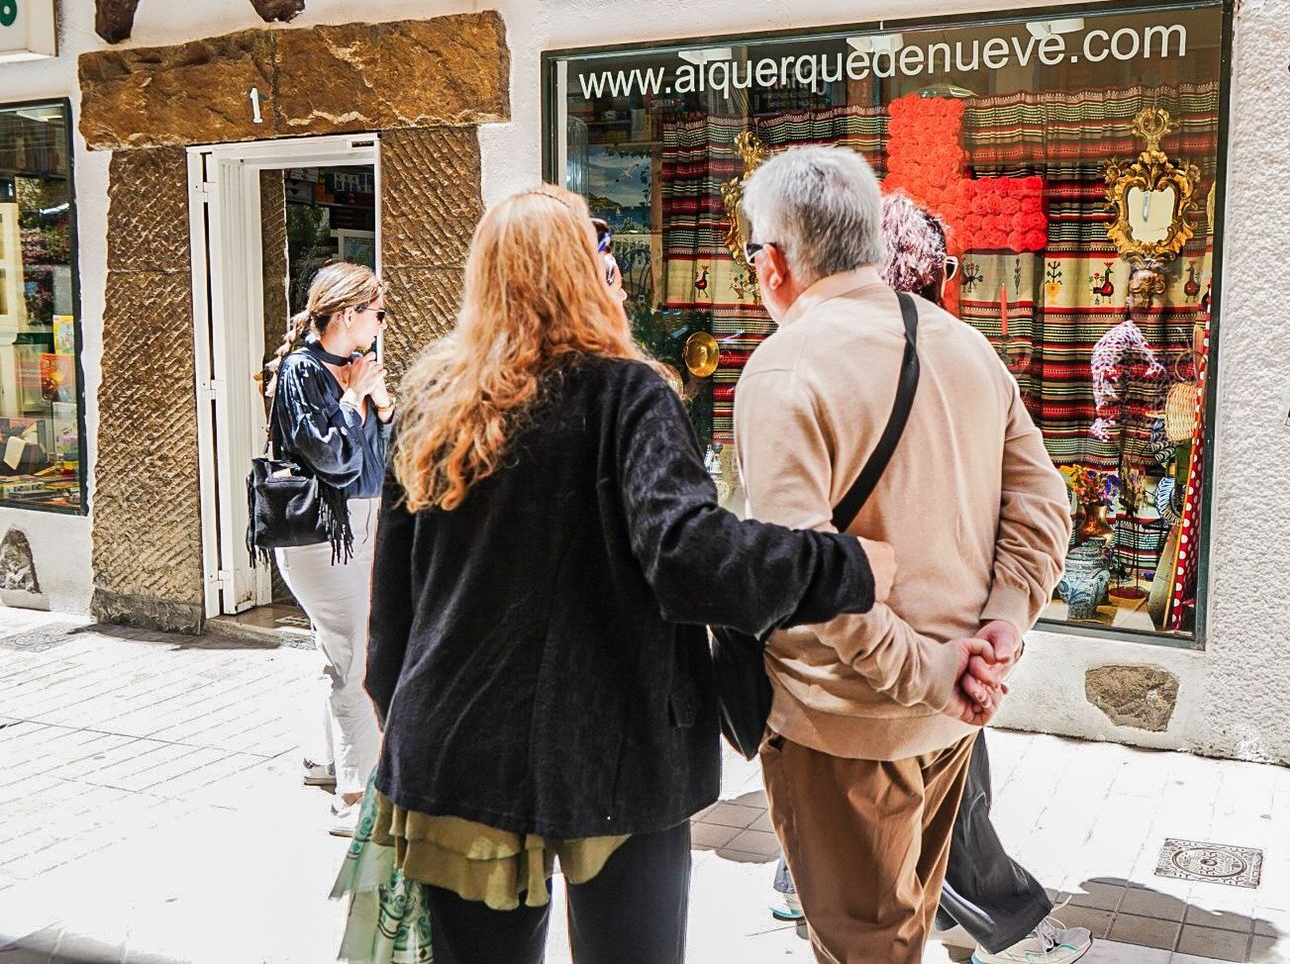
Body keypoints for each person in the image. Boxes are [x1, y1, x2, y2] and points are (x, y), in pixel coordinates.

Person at [364, 185, 902, 964]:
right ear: (585, 274)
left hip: (456, 746)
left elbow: (394, 612)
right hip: (617, 751)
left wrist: (406, 727)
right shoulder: (629, 393)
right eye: (602, 250)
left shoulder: (433, 401)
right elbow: (687, 551)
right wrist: (846, 566)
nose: (615, 267)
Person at [734, 147, 1073, 963]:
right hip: (951, 712)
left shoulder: (783, 367)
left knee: (865, 948)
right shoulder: (966, 347)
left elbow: (810, 576)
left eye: (752, 253)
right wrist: (999, 630)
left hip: (845, 723)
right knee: (903, 933)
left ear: (773, 262)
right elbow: (1045, 504)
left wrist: (941, 664)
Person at [263, 261, 392, 837]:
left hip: (362, 524)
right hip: (319, 535)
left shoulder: (353, 368)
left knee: (343, 648)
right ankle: (355, 794)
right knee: (355, 657)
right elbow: (333, 460)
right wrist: (353, 399)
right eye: (375, 313)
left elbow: (377, 462)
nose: (380, 324)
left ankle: (324, 759)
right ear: (345, 313)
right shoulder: (302, 372)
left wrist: (382, 408)